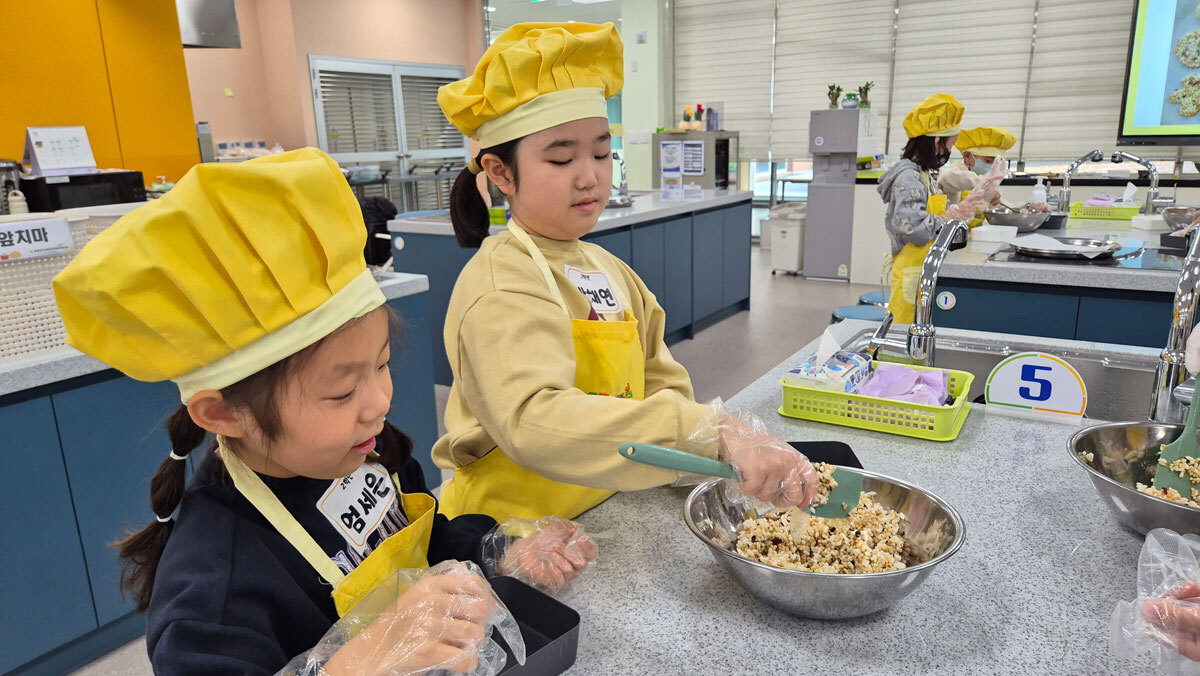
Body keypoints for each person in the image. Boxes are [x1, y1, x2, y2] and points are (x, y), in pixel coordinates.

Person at [51, 148, 594, 675]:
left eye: (381, 366)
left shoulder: (369, 452)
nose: (379, 403)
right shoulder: (213, 585)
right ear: (221, 414)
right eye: (340, 393)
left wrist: (499, 551)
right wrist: (348, 666)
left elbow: (415, 538)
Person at [431, 21, 818, 523]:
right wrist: (712, 431)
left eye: (599, 151)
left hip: (609, 506)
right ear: (501, 172)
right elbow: (533, 421)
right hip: (520, 533)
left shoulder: (607, 268)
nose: (589, 175)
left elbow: (661, 382)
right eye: (561, 157)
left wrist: (715, 458)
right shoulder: (501, 283)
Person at [877, 94, 1005, 324]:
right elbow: (912, 227)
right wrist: (949, 216)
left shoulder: (923, 175)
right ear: (937, 142)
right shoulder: (909, 177)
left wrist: (962, 210)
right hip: (910, 272)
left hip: (920, 269)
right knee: (905, 340)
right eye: (951, 144)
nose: (950, 151)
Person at [938, 126, 1017, 208]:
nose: (992, 167)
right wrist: (984, 184)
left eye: (996, 163)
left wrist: (1019, 209)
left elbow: (999, 204)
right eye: (988, 161)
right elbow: (946, 178)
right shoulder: (956, 170)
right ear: (967, 156)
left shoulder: (986, 180)